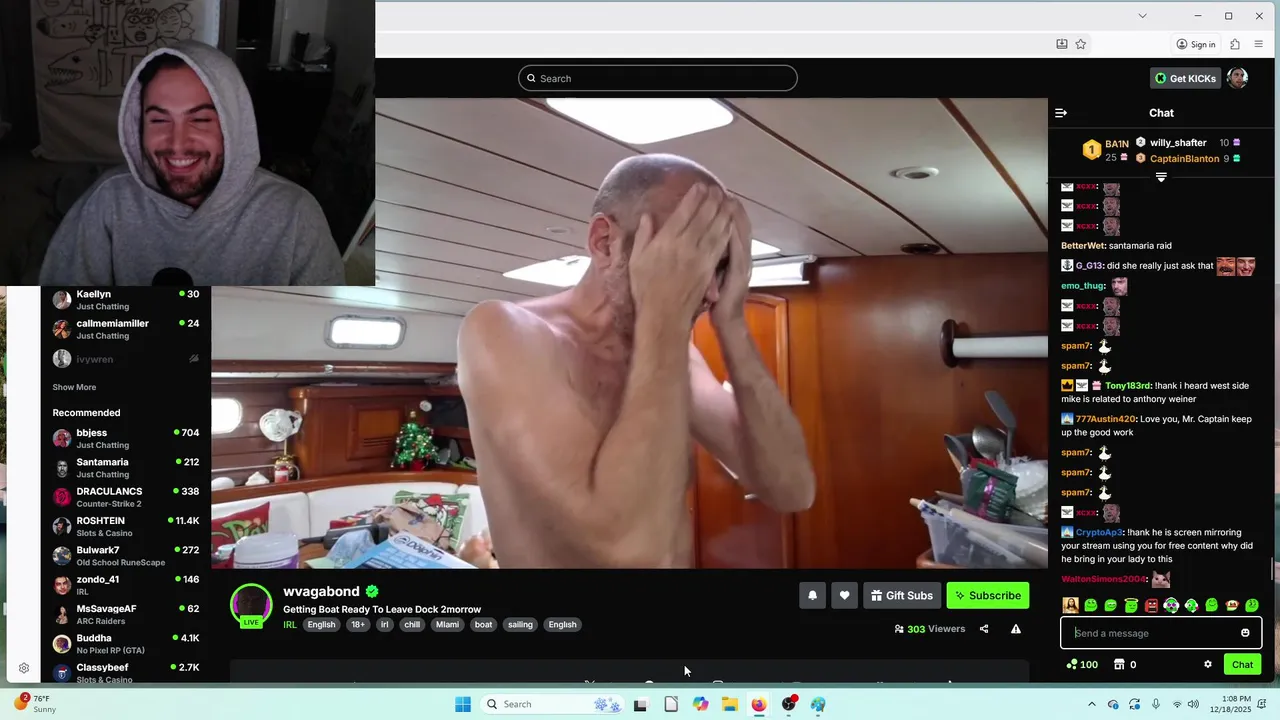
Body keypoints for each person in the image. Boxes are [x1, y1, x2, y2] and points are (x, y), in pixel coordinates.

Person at [458, 154, 816, 569]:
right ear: (604, 242)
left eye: (718, 266)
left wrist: (732, 323)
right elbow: (626, 550)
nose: (708, 291)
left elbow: (792, 489)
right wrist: (665, 316)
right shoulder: (505, 332)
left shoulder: (672, 353)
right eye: (682, 260)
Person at [38, 41, 344, 285]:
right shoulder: (107, 202)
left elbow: (320, 335)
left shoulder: (295, 216)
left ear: (232, 126)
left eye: (200, 120)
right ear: (138, 125)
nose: (177, 143)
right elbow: (61, 324)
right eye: (159, 120)